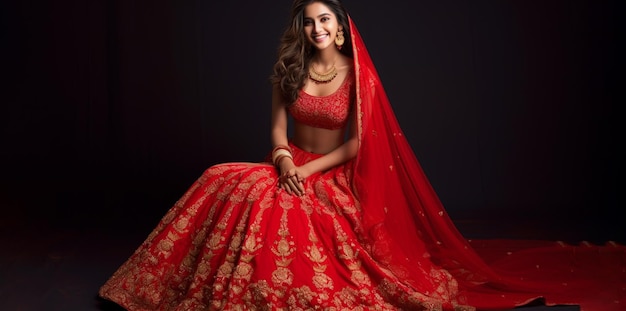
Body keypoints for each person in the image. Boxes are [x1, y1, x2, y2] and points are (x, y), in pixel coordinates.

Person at [99, 1, 625, 310]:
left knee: (283, 211)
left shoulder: (357, 76)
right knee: (223, 177)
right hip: (289, 163)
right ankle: (169, 285)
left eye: (325, 19)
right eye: (308, 22)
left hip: (334, 174)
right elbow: (278, 130)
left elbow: (357, 143)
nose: (317, 29)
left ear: (341, 25)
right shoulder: (289, 70)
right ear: (301, 30)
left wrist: (308, 169)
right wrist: (283, 161)